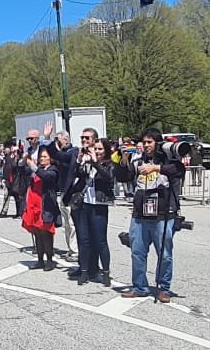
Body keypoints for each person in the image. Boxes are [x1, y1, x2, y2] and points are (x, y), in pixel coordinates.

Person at [114, 128, 183, 301]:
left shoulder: (168, 160)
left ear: (157, 143)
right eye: (144, 142)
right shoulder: (138, 160)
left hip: (163, 215)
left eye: (149, 142)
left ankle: (163, 288)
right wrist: (123, 160)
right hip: (140, 214)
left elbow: (179, 170)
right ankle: (140, 286)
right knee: (137, 252)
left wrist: (155, 168)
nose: (146, 145)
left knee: (164, 254)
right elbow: (122, 176)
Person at [66, 137, 115, 285]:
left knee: (100, 241)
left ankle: (106, 272)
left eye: (100, 149)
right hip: (84, 205)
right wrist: (80, 160)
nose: (97, 152)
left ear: (105, 150)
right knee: (84, 240)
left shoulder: (108, 164)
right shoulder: (87, 163)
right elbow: (74, 175)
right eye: (95, 149)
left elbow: (108, 177)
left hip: (99, 205)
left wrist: (95, 163)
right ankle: (84, 271)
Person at [22, 147, 60, 269]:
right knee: (37, 233)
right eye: (41, 157)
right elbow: (22, 170)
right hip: (34, 203)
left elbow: (46, 177)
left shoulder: (53, 169)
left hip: (45, 205)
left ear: (50, 158)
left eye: (45, 157)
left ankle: (49, 260)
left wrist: (34, 167)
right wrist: (24, 160)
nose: (42, 159)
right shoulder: (37, 169)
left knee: (45, 233)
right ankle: (40, 260)